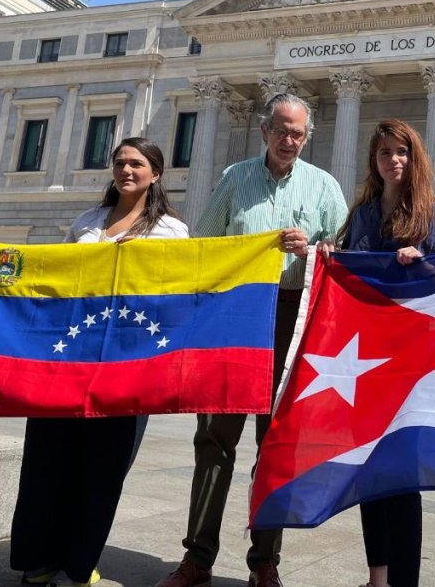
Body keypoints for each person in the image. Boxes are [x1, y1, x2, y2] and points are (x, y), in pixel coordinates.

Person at [157, 93, 348, 587]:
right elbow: (205, 243)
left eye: (298, 134)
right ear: (265, 130)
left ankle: (266, 560)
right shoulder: (234, 178)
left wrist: (313, 250)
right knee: (215, 441)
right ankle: (197, 558)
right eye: (282, 130)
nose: (289, 141)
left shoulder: (324, 186)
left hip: (290, 317)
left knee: (276, 443)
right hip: (235, 318)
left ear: (308, 137)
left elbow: (343, 255)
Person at [10, 137, 188, 587]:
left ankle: (79, 559)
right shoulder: (86, 222)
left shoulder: (172, 231)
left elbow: (182, 292)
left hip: (130, 364)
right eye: (120, 162)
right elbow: (52, 277)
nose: (127, 170)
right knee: (49, 459)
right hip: (69, 357)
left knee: (103, 468)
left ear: (156, 174)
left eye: (137, 164)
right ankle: (40, 558)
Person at [327, 119, 435, 587]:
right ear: (374, 160)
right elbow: (346, 274)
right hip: (364, 361)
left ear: (415, 156)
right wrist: (329, 255)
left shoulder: (434, 215)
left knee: (402, 479)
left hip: (411, 365)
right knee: (371, 474)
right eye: (385, 152)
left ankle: (404, 581)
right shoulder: (363, 214)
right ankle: (377, 578)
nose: (394, 160)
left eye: (402, 151)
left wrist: (423, 264)